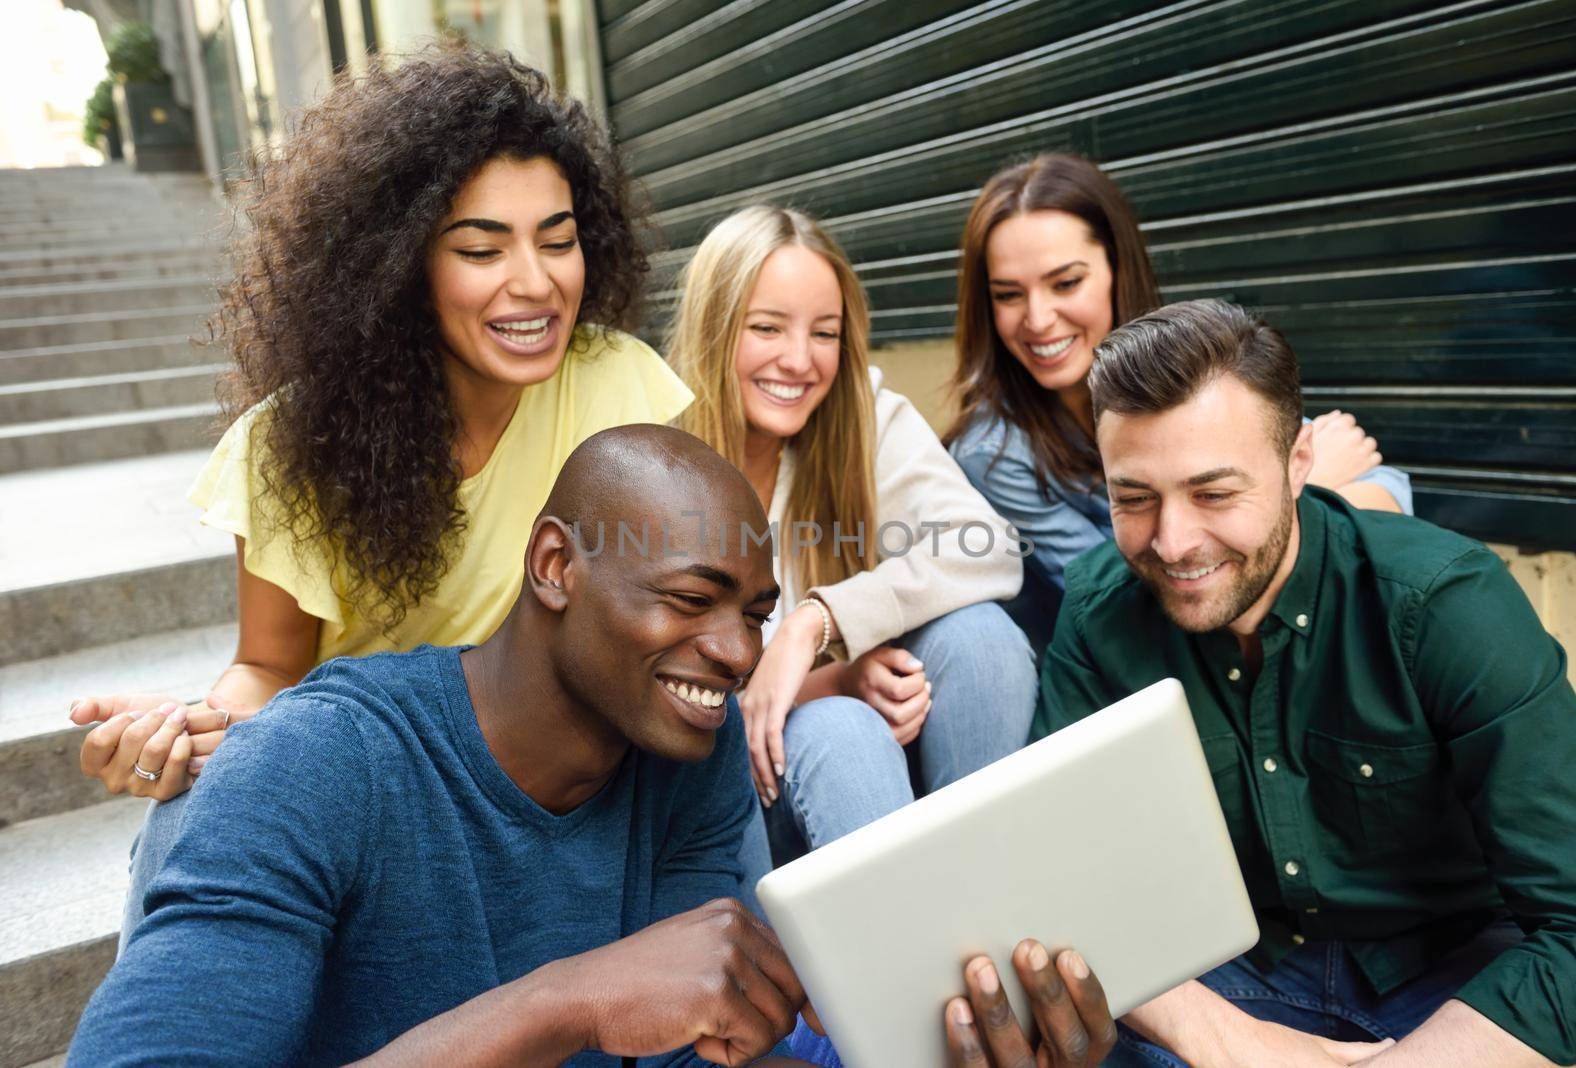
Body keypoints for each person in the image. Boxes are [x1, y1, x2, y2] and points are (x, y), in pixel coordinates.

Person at [69, 426, 1119, 1068]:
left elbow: (689, 1062)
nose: (737, 651)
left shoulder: (685, 758)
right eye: (689, 599)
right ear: (555, 567)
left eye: (756, 611)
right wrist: (566, 1001)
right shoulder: (315, 765)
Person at [61, 47, 691, 940]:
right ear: (396, 266)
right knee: (189, 823)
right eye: (481, 247)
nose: (536, 281)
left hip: (569, 787)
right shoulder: (292, 446)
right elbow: (271, 668)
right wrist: (195, 730)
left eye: (558, 239)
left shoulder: (625, 390)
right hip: (375, 786)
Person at [1037, 299, 1576, 1068]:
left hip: (1456, 984)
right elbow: (1058, 878)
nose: (1172, 542)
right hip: (1227, 983)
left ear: (1299, 461)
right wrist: (1234, 1044)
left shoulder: (1444, 604)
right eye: (1133, 498)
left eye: (1213, 493)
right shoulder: (1099, 613)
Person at [667, 205, 1035, 869]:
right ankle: (915, 960)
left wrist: (821, 621)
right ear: (715, 328)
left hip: (867, 794)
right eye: (767, 327)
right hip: (727, 794)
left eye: (824, 332)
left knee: (982, 641)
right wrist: (832, 682)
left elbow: (989, 547)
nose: (799, 360)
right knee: (844, 730)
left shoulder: (861, 418)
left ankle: (981, 902)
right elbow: (661, 703)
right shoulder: (657, 457)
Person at [943, 154, 1413, 652]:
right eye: (1009, 295)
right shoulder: (993, 452)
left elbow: (1387, 487)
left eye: (1066, 283)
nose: (1038, 319)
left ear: (1117, 269)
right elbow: (1134, 596)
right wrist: (1303, 490)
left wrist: (1289, 504)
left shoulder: (1187, 362)